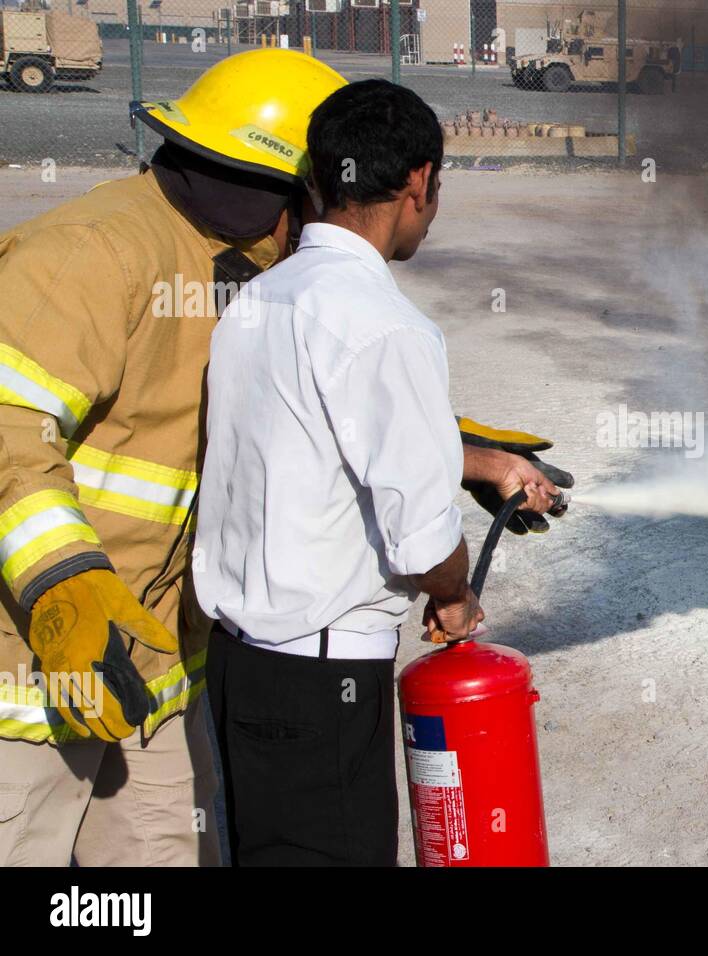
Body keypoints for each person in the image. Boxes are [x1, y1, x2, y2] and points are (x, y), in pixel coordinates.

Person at [195, 79, 571, 866]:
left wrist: (485, 461)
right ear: (418, 184)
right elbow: (421, 535)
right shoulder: (389, 326)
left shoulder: (258, 301)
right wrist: (455, 596)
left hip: (237, 669)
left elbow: (316, 442)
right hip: (322, 682)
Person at [0, 49, 349, 866]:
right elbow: (9, 431)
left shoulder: (244, 269)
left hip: (151, 679)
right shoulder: (93, 252)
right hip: (26, 682)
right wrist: (66, 585)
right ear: (288, 192)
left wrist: (444, 446)